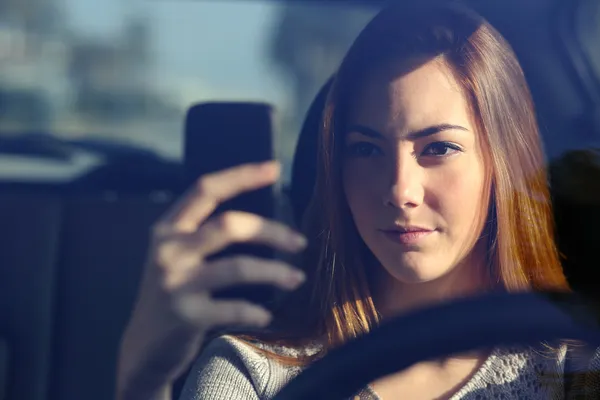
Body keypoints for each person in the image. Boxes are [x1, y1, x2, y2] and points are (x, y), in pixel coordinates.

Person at [116, 1, 600, 399]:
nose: (399, 191)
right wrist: (143, 378)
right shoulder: (253, 376)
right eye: (366, 149)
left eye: (438, 148)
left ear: (503, 164)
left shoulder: (574, 369)